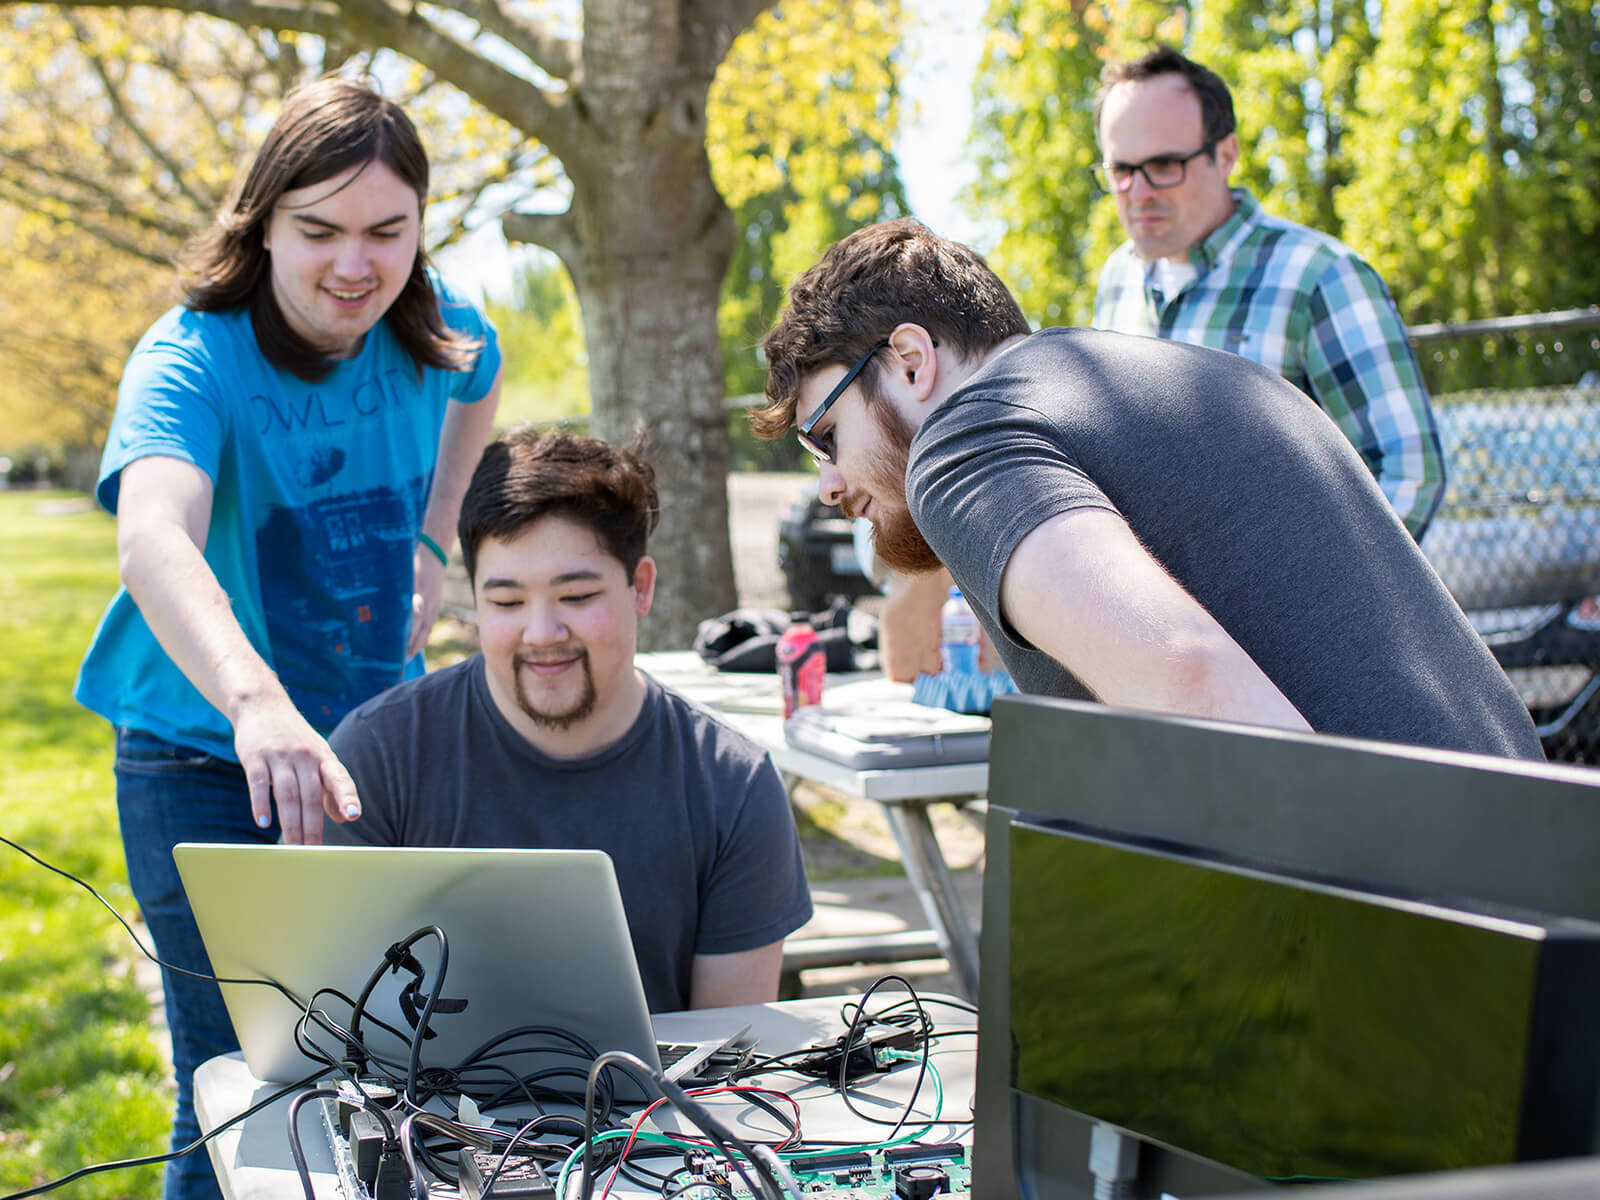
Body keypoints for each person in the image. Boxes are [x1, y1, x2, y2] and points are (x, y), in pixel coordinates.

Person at [74, 77, 503, 1200]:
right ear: (260, 221)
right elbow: (154, 538)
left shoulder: (442, 321)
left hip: (371, 748)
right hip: (203, 754)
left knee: (383, 1072)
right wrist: (256, 701)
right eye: (317, 231)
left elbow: (480, 385)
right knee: (237, 1087)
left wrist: (431, 536)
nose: (353, 266)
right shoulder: (191, 357)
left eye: (386, 232)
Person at [752, 217, 1542, 760]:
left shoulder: (963, 442)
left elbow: (1185, 676)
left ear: (912, 359)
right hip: (1538, 855)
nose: (829, 484)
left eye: (825, 436)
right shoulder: (1199, 376)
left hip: (1429, 917)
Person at [324, 428, 814, 1013]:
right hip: (416, 1108)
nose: (542, 634)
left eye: (577, 596)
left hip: (651, 1106)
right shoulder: (376, 757)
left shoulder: (732, 785)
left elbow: (728, 1066)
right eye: (506, 603)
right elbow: (328, 1025)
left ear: (641, 587)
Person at [1091, 46, 1445, 542]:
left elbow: (1408, 474)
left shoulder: (1321, 277)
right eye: (1121, 170)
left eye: (1165, 164)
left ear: (1227, 154)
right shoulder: (1117, 281)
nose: (1139, 191)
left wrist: (1307, 606)